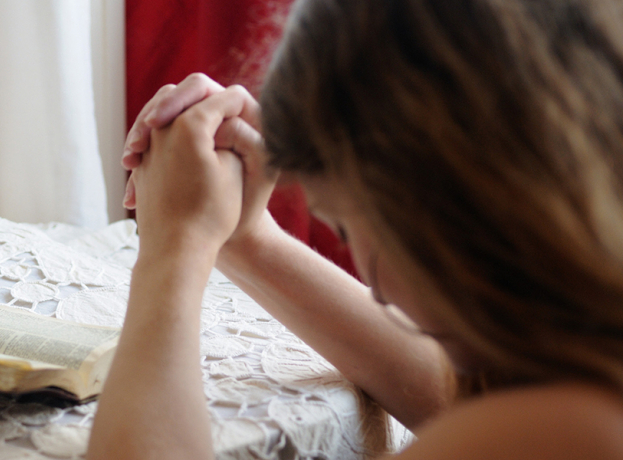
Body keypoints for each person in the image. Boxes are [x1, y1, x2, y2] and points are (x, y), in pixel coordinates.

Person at [87, 0, 623, 458]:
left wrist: (172, 249)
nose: (379, 289)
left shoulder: (580, 426)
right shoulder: (577, 374)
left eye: (350, 225)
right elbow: (460, 399)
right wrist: (246, 236)